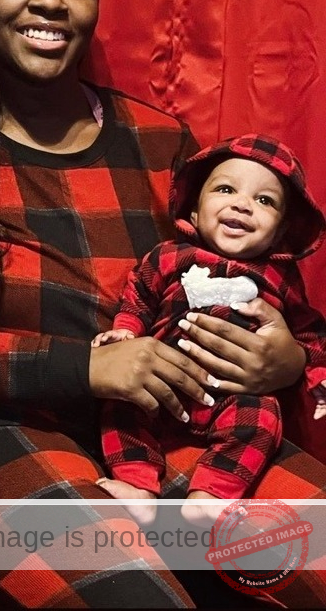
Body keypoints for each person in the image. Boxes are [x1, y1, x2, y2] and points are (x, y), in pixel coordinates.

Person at [0, 0, 322, 607]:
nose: (50, 0)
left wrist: (286, 361)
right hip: (7, 433)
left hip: (177, 427)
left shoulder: (161, 141)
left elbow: (251, 282)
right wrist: (86, 366)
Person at [92, 134, 326, 526]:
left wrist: (316, 373)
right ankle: (136, 484)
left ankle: (210, 494)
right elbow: (138, 298)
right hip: (163, 381)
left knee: (264, 418)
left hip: (233, 395)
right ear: (195, 212)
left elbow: (310, 333)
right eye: (225, 189)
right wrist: (125, 333)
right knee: (120, 407)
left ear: (280, 232)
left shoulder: (280, 278)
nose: (243, 204)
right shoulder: (168, 256)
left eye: (264, 200)